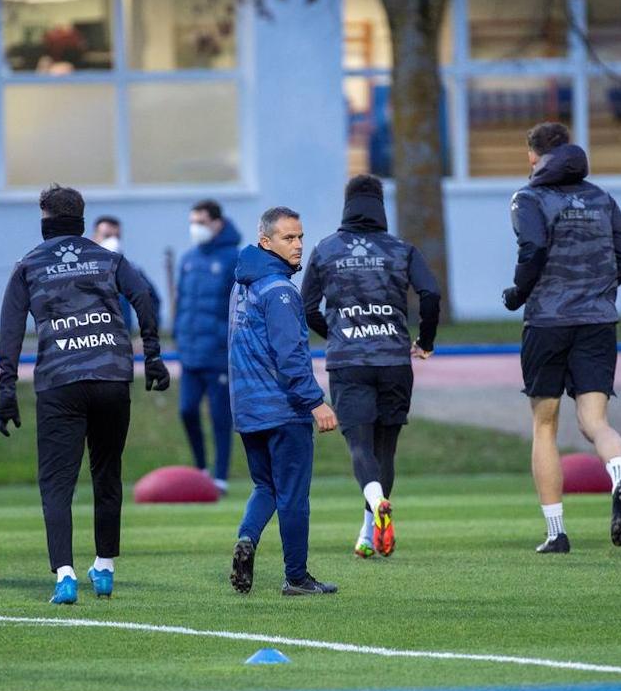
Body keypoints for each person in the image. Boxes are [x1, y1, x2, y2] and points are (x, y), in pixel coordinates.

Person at [0, 184, 169, 605]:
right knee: (106, 475)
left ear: (44, 217)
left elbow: (11, 328)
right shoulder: (108, 258)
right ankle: (105, 567)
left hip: (61, 384)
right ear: (81, 217)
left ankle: (66, 576)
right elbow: (143, 296)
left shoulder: (29, 265)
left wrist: (6, 388)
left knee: (57, 483)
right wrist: (153, 356)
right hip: (112, 378)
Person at [502, 122, 621, 554]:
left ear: (532, 157)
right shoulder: (600, 197)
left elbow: (534, 248)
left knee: (544, 425)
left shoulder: (528, 197)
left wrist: (517, 294)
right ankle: (620, 478)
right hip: (598, 320)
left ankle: (556, 532)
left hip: (547, 321)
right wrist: (602, 286)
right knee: (595, 422)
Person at [301, 174, 441, 559]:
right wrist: (426, 341)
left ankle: (375, 508)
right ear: (381, 205)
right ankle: (367, 533)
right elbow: (430, 293)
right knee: (386, 452)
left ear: (347, 205)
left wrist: (336, 334)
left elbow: (306, 306)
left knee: (360, 447)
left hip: (350, 361)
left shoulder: (326, 250)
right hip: (395, 360)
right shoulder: (401, 249)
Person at [228, 207, 339, 596]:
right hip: (283, 407)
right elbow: (290, 354)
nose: (298, 246)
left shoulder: (243, 285)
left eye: (300, 237)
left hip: (247, 406)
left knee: (266, 487)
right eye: (288, 238)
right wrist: (316, 402)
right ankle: (296, 578)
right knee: (293, 494)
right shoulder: (281, 291)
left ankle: (247, 538)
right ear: (266, 242)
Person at [174, 200, 241, 494]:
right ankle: (201, 468)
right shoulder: (187, 259)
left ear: (216, 223)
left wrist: (225, 339)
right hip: (190, 353)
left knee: (220, 417)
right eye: (192, 221)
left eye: (200, 221)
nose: (195, 228)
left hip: (218, 354)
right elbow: (183, 302)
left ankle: (221, 477)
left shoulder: (232, 258)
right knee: (187, 410)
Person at [91, 216, 161, 334]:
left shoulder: (130, 270)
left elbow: (151, 299)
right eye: (107, 236)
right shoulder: (80, 271)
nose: (113, 242)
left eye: (117, 237)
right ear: (94, 238)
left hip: (121, 343)